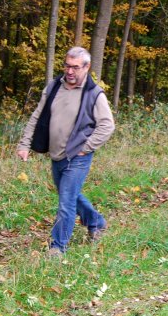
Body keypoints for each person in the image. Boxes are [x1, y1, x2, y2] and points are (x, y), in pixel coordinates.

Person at [17, 47, 115, 259]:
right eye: (67, 66)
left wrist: (86, 148)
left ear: (87, 67)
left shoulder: (94, 94)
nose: (69, 71)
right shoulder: (54, 87)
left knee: (66, 202)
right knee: (68, 194)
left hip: (77, 157)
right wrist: (25, 144)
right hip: (57, 155)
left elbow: (107, 125)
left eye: (75, 67)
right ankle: (96, 222)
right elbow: (36, 116)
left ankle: (57, 247)